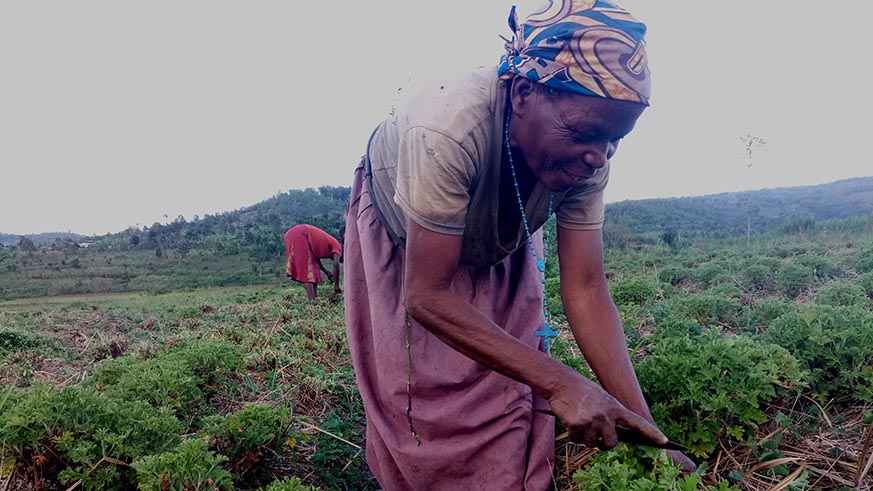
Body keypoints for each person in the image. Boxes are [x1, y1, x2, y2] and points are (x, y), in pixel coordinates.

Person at [342, 1, 696, 489]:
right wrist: (560, 381)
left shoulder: (586, 160)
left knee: (510, 387)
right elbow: (425, 294)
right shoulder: (445, 126)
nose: (598, 157)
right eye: (585, 133)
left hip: (500, 241)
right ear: (525, 93)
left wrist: (653, 434)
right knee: (427, 404)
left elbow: (587, 289)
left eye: (615, 140)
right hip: (411, 245)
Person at [283, 224, 342, 301]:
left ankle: (315, 299)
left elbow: (316, 260)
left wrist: (326, 272)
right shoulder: (338, 247)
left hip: (299, 235)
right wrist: (336, 286)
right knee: (306, 270)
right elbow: (336, 264)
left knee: (314, 267)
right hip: (300, 234)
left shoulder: (326, 248)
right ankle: (312, 301)